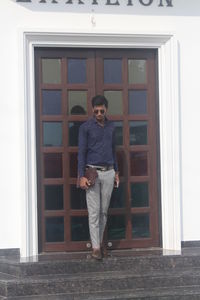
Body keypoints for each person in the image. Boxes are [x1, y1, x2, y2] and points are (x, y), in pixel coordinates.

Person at [78, 95, 119, 260]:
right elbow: (81, 153)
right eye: (96, 110)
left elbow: (114, 150)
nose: (99, 113)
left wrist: (116, 171)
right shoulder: (85, 128)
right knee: (94, 212)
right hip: (92, 173)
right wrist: (81, 176)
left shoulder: (112, 127)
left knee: (103, 212)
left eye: (102, 110)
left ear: (106, 109)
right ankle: (95, 248)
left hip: (109, 172)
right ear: (92, 109)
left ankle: (100, 243)